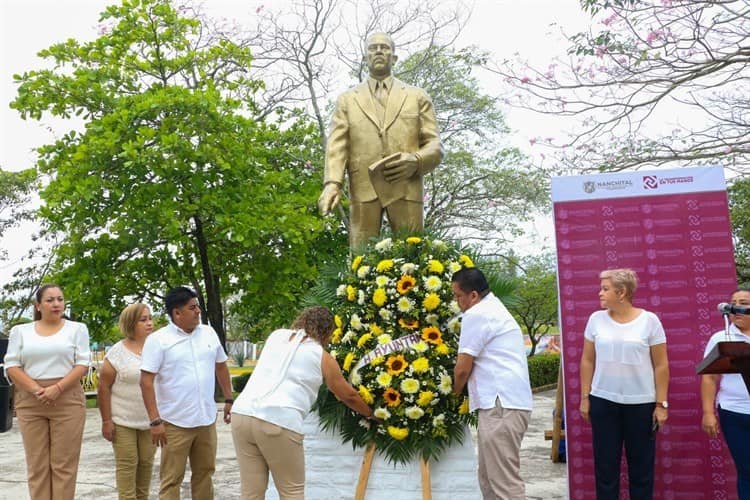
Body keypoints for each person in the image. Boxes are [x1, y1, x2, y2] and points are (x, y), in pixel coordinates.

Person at [231, 306, 378, 499]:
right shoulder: (322, 357)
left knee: (251, 491)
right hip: (279, 420)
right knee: (292, 490)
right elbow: (347, 395)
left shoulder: (276, 335)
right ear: (328, 332)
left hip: (241, 414)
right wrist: (370, 413)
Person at [317, 31, 443, 248]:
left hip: (406, 185)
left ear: (394, 57)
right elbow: (338, 145)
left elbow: (435, 145)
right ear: (365, 57)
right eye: (372, 48)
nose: (378, 51)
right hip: (363, 187)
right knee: (360, 261)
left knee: (412, 256)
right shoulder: (347, 100)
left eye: (384, 48)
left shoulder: (417, 97)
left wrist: (417, 160)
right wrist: (332, 183)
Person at [579, 268, 669, 500]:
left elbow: (661, 365)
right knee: (606, 469)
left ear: (622, 292)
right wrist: (585, 397)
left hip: (641, 406)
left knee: (641, 470)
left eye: (605, 289)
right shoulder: (595, 320)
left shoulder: (650, 321)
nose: (599, 293)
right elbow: (587, 360)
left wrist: (661, 404)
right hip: (603, 403)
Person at [140, 287, 234, 500]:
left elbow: (221, 366)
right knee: (171, 479)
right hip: (174, 423)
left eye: (198, 306)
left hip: (205, 419)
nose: (198, 311)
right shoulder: (158, 340)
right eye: (192, 307)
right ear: (177, 313)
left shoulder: (208, 333)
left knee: (205, 474)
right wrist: (155, 421)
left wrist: (229, 398)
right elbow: (146, 381)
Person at [451, 268, 533, 499]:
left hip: (501, 405)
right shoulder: (493, 307)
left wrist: (455, 395)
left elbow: (463, 368)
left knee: (504, 484)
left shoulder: (478, 314)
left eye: (458, 296)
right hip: (502, 405)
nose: (456, 302)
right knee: (488, 480)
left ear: (474, 295)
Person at [3, 283, 91, 500]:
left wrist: (58, 388)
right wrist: (36, 389)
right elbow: (11, 365)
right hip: (30, 399)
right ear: (38, 305)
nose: (56, 304)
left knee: (63, 465)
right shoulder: (20, 331)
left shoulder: (77, 329)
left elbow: (82, 363)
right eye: (50, 300)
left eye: (60, 299)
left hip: (67, 398)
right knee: (37, 465)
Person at [98, 303, 157, 500]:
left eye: (150, 318)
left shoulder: (158, 348)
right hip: (122, 421)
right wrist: (107, 421)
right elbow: (103, 387)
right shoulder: (117, 352)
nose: (149, 323)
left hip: (151, 421)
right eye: (143, 320)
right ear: (130, 323)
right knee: (127, 466)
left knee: (146, 466)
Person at [701, 287, 750, 499]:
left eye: (744, 302)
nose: (737, 306)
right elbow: (709, 377)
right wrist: (708, 412)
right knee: (747, 470)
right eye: (733, 302)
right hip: (734, 412)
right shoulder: (721, 337)